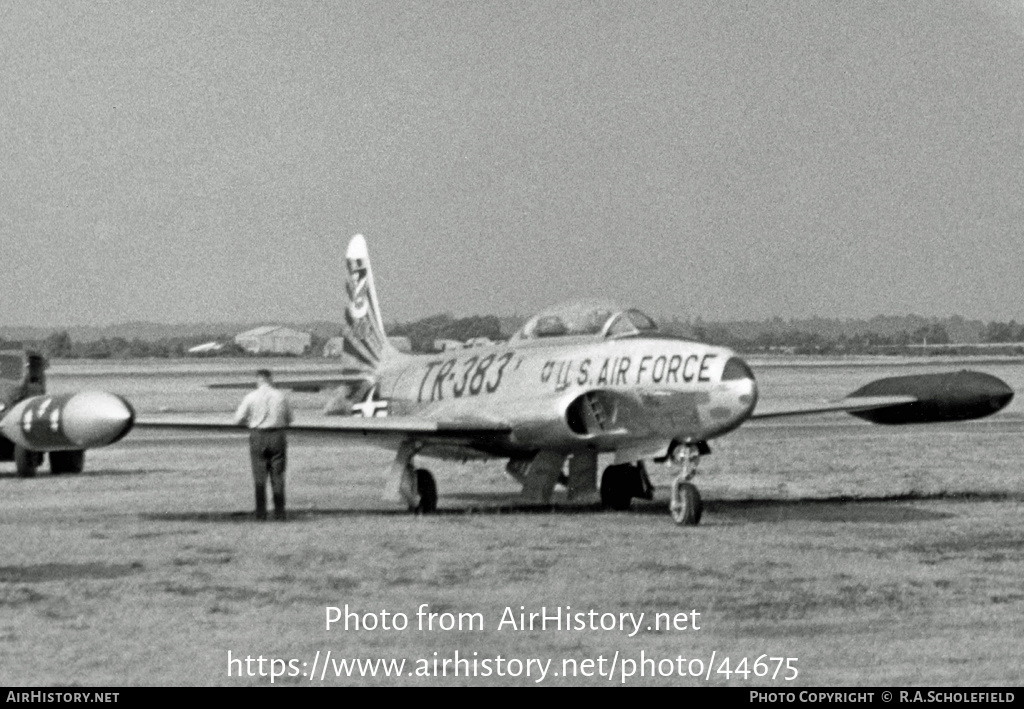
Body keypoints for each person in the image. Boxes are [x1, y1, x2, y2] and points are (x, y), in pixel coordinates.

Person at [234, 369, 293, 520]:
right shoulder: (281, 396)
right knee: (278, 476)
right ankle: (279, 512)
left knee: (259, 477)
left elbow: (238, 418)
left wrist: (250, 421)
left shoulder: (250, 397)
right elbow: (289, 419)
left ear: (258, 380)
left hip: (258, 436)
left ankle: (261, 512)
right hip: (277, 436)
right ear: (271, 379)